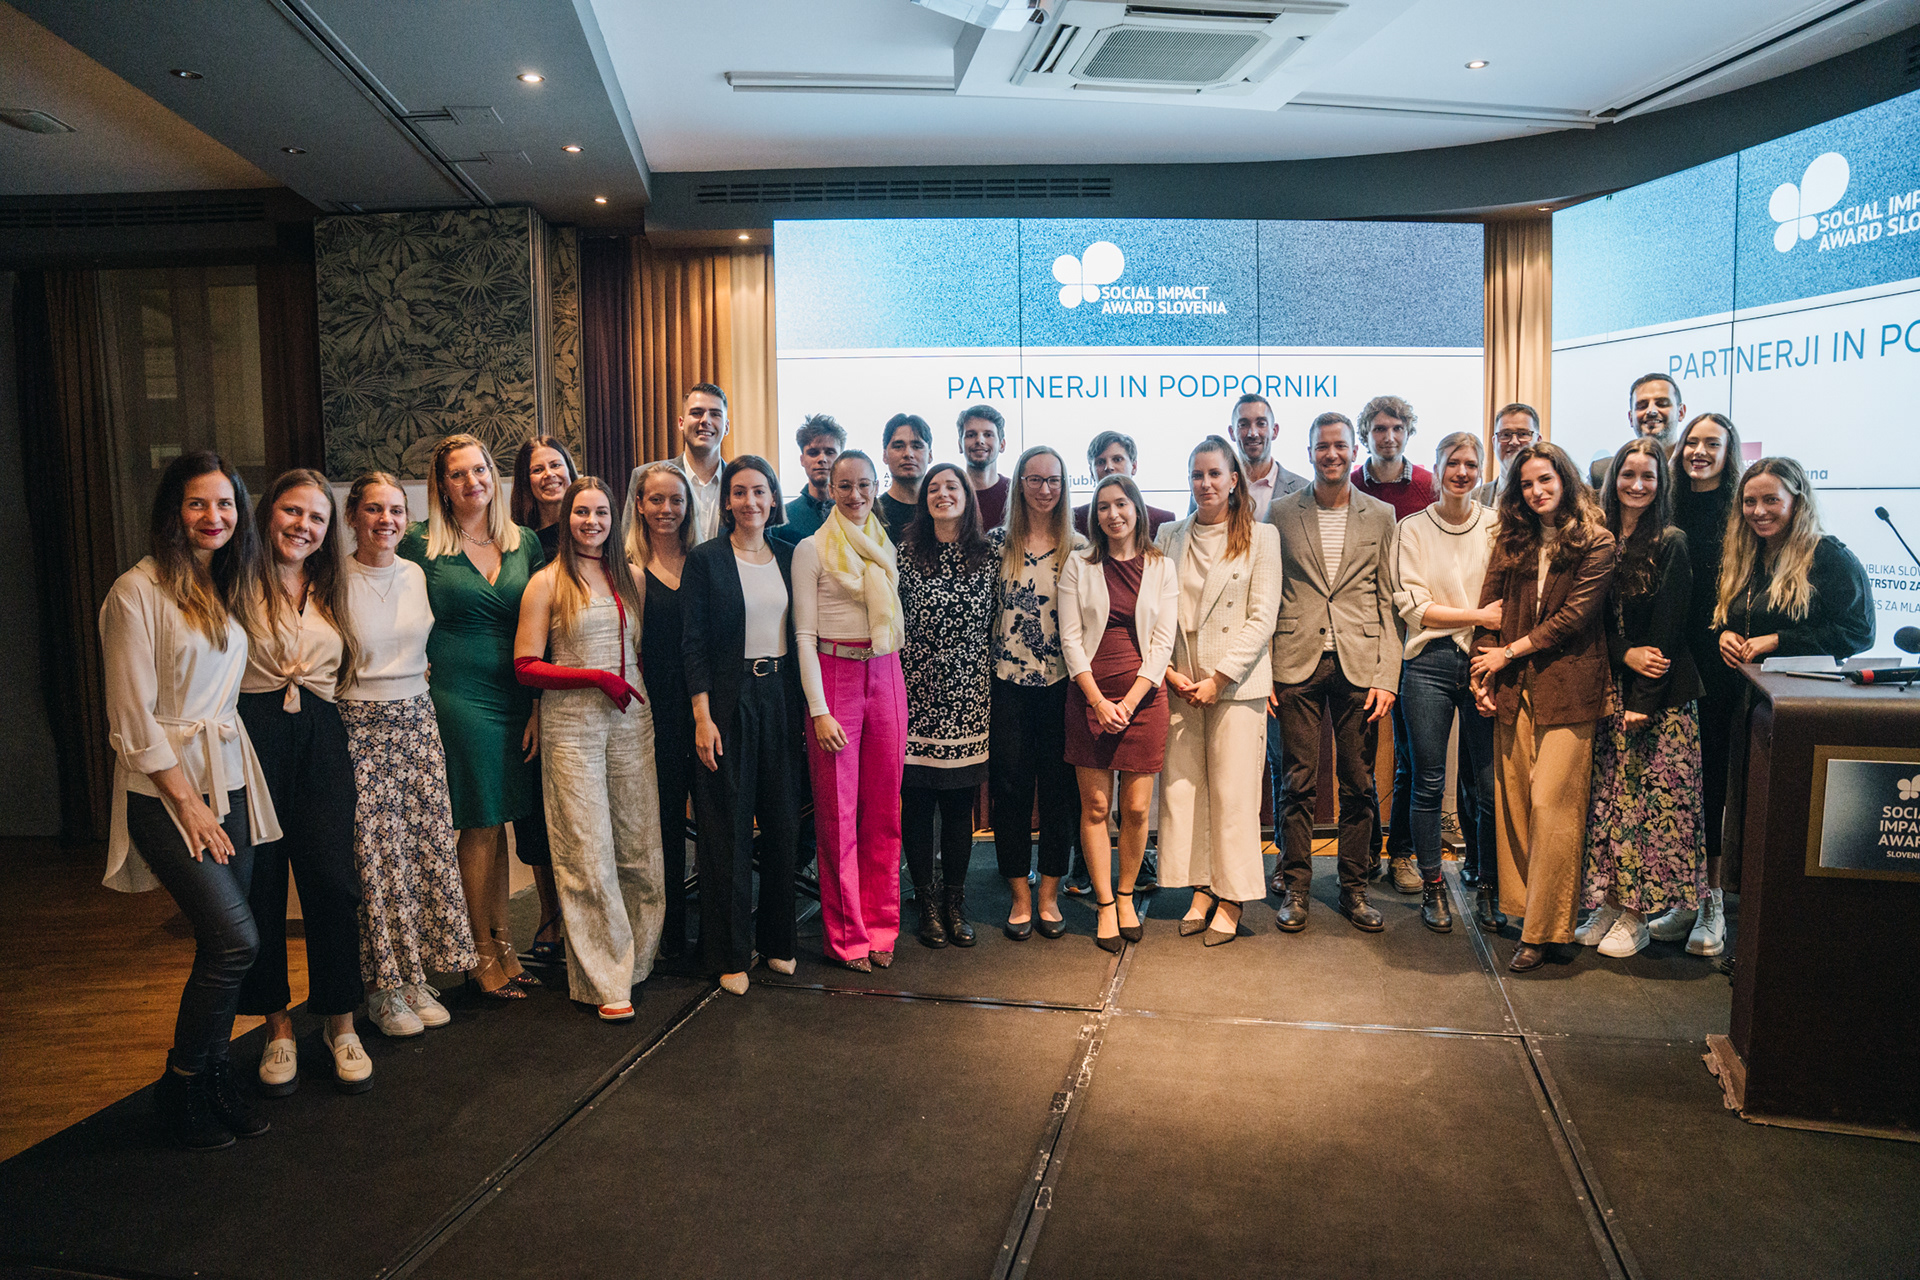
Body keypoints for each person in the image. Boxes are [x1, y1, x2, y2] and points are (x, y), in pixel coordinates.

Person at [100, 451, 280, 1149]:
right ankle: (179, 1086)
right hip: (166, 789)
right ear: (173, 511)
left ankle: (212, 1077)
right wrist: (188, 803)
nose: (214, 516)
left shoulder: (225, 584)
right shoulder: (136, 592)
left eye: (225, 503)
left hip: (230, 778)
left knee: (222, 944)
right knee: (237, 940)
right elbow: (131, 719)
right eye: (198, 503)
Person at [235, 469, 369, 1096]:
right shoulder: (235, 581)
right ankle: (277, 1026)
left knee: (333, 883)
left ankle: (340, 1023)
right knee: (261, 882)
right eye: (293, 512)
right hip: (251, 733)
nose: (303, 526)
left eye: (317, 518)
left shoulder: (332, 587)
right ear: (268, 514)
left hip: (321, 734)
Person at [399, 434, 545, 999]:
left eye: (479, 470)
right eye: (457, 474)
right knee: (479, 822)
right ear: (441, 486)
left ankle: (505, 946)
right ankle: (476, 952)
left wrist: (537, 703)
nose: (471, 482)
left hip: (515, 694)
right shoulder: (420, 543)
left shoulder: (523, 541)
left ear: (493, 475)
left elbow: (544, 625)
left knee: (499, 819)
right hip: (456, 695)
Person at [515, 476, 665, 1021]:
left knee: (640, 845)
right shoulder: (546, 582)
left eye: (601, 512)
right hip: (573, 724)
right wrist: (595, 677)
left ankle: (637, 959)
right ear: (566, 518)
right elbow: (525, 665)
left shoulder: (632, 578)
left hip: (632, 719)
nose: (592, 522)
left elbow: (642, 652)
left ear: (614, 518)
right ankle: (605, 978)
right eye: (582, 512)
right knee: (586, 849)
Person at [1470, 442, 1617, 973]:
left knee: (1552, 807)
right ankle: (1532, 917)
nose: (1536, 491)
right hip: (1511, 687)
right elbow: (1489, 612)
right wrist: (1480, 674)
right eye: (1527, 483)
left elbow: (1573, 619)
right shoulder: (1512, 539)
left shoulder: (1597, 541)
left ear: (1566, 481)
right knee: (1514, 806)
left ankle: (1542, 932)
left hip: (1569, 687)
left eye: (1546, 480)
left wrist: (1507, 653)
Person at [339, 473, 476, 1039]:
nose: (386, 520)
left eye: (396, 510)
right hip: (358, 725)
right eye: (374, 509)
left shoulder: (415, 573)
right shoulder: (332, 580)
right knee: (378, 860)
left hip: (418, 719)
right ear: (352, 516)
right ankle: (383, 989)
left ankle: (416, 977)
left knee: (425, 851)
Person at [1714, 458, 1875, 900]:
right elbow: (1730, 618)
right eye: (1749, 501)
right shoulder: (1746, 554)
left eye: (1771, 500)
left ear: (1797, 501)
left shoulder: (1828, 556)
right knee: (1746, 813)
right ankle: (1744, 911)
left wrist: (1778, 641)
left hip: (1800, 710)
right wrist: (1724, 634)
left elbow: (1859, 633)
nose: (1758, 511)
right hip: (1748, 705)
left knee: (1783, 819)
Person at [1269, 412, 1402, 934]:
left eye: (1340, 446)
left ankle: (1354, 889)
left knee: (1359, 783)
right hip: (1294, 661)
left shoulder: (1382, 515)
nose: (1331, 454)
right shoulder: (1281, 512)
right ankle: (1296, 889)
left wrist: (1387, 676)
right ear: (1309, 453)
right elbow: (1269, 592)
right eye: (1322, 446)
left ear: (1354, 451)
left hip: (1360, 664)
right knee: (1297, 783)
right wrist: (1266, 672)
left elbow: (1389, 600)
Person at [1578, 438, 1706, 959]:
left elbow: (1669, 630)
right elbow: (1590, 620)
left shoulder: (1670, 541)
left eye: (1648, 476)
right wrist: (1623, 654)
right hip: (1611, 689)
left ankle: (1638, 917)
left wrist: (1644, 701)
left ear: (1661, 483)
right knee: (1610, 808)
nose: (1636, 484)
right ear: (1613, 481)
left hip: (1659, 700)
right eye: (1628, 474)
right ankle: (1609, 904)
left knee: (1649, 814)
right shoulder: (1599, 538)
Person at [682, 456, 802, 996]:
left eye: (759, 491)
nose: (750, 501)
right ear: (727, 502)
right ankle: (728, 953)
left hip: (781, 697)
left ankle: (778, 940)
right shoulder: (706, 559)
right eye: (739, 492)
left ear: (774, 498)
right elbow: (693, 644)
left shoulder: (790, 555)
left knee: (782, 822)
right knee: (725, 829)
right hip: (727, 702)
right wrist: (702, 716)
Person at [1156, 443, 1282, 947]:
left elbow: (1262, 617)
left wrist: (1219, 679)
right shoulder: (1169, 535)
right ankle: (1203, 887)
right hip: (1181, 682)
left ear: (1234, 480)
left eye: (1214, 474)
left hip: (1235, 684)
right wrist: (1168, 673)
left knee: (1234, 797)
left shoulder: (1263, 536)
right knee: (1185, 793)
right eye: (1196, 474)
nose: (1205, 483)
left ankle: (1233, 897)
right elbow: (1155, 610)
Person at [794, 451, 908, 972]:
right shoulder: (811, 549)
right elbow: (804, 636)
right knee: (838, 816)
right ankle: (846, 937)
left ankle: (882, 929)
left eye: (864, 485)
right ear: (830, 488)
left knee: (884, 812)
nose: (856, 495)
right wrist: (818, 710)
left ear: (875, 485)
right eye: (845, 486)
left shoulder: (884, 544)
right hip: (834, 676)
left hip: (885, 673)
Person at [1060, 475, 1179, 951]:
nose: (1113, 514)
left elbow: (1163, 643)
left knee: (1135, 809)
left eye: (1122, 504)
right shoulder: (1079, 564)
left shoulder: (1162, 566)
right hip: (1089, 696)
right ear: (1095, 516)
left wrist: (1128, 703)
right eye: (1104, 506)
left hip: (1144, 700)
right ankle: (1105, 903)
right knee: (1095, 808)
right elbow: (1070, 638)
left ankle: (1127, 895)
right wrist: (1098, 702)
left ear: (1137, 509)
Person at [1392, 432, 1499, 934]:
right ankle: (1433, 886)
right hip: (1428, 663)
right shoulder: (1411, 528)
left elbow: (1508, 599)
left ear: (1481, 470)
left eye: (1470, 464)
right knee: (1428, 781)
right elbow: (1414, 607)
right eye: (1452, 462)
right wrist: (1479, 616)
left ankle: (1488, 885)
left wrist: (1484, 634)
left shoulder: (1496, 526)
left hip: (1485, 662)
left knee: (1487, 787)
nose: (1461, 472)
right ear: (1435, 469)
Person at [897, 462, 996, 948]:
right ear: (924, 500)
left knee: (959, 809)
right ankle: (927, 903)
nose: (942, 493)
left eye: (951, 486)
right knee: (917, 807)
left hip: (970, 699)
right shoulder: (904, 553)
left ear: (967, 496)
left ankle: (955, 903)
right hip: (915, 697)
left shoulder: (990, 553)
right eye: (933, 488)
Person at [1657, 412, 1744, 955]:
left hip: (1717, 664)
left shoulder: (1740, 511)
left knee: (1709, 782)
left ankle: (1712, 902)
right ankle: (1683, 899)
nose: (1700, 451)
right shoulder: (1665, 503)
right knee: (1673, 784)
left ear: (1728, 452)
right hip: (1666, 656)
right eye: (1693, 441)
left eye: (1713, 443)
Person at [991, 445, 1082, 940]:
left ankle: (1048, 893)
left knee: (1058, 791)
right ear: (1019, 484)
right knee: (1010, 789)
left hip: (1062, 686)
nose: (1045, 489)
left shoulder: (1080, 548)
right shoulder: (996, 545)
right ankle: (1019, 895)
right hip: (1006, 685)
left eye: (1054, 480)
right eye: (1034, 479)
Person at [1352, 394, 1437, 893]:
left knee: (1409, 756)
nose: (1389, 437)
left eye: (1397, 428)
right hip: (1363, 640)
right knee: (1360, 758)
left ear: (1408, 432)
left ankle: (1400, 852)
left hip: (1416, 640)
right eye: (1379, 429)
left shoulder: (1428, 485)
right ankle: (1364, 852)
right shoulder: (1349, 484)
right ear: (1366, 435)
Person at [627, 461, 700, 960]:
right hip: (653, 712)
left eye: (676, 500)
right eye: (656, 499)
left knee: (713, 823)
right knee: (664, 824)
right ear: (639, 504)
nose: (666, 509)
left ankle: (713, 931)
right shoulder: (625, 567)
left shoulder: (705, 560)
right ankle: (669, 935)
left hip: (704, 708)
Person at [509, 435, 578, 962]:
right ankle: (549, 912)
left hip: (584, 686)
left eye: (557, 465)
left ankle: (581, 915)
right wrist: (534, 705)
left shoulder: (592, 529)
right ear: (525, 482)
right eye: (538, 469)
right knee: (535, 810)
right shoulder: (520, 543)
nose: (550, 474)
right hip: (531, 689)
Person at [630, 383, 729, 545]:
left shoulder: (740, 486)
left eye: (715, 414)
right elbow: (628, 542)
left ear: (726, 427)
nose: (705, 420)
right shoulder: (644, 476)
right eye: (696, 413)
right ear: (681, 423)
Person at [1072, 431, 1176, 538]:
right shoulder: (1076, 519)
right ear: (1091, 472)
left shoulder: (1163, 520)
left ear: (1134, 466)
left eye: (1117, 459)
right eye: (1100, 462)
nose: (1109, 467)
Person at [1591, 374, 1686, 489]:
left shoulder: (1698, 470)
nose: (1651, 411)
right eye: (1642, 406)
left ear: (1681, 412)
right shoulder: (1602, 473)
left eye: (1662, 404)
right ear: (1631, 418)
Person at [772, 413, 845, 546]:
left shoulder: (855, 511)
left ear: (841, 458)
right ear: (802, 460)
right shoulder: (782, 518)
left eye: (830, 452)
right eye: (813, 453)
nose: (822, 459)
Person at [1232, 393, 1311, 513]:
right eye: (1243, 425)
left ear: (1274, 431)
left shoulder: (1303, 490)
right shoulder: (1214, 487)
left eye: (1261, 424)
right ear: (1232, 432)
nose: (1252, 433)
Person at [879, 412, 932, 543]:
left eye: (917, 446)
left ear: (930, 455)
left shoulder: (942, 510)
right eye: (898, 446)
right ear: (885, 456)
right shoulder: (873, 513)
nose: (908, 454)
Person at [1474, 403, 1541, 505]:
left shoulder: (1551, 498)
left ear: (1538, 441)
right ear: (1494, 443)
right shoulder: (1473, 499)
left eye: (1523, 434)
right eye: (1505, 434)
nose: (1514, 442)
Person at [958, 404, 1012, 529]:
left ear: (1002, 445)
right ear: (960, 445)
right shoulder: (949, 494)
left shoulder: (1015, 494)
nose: (979, 440)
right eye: (971, 435)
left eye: (988, 435)